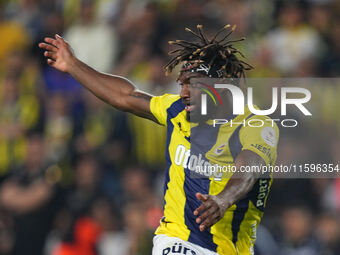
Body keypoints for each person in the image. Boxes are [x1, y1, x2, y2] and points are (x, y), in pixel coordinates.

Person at [39, 24, 279, 255]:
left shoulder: (254, 124)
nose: (183, 93)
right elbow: (125, 96)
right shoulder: (177, 112)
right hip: (177, 240)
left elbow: (251, 166)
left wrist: (222, 199)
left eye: (192, 85)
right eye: (182, 85)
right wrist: (72, 65)